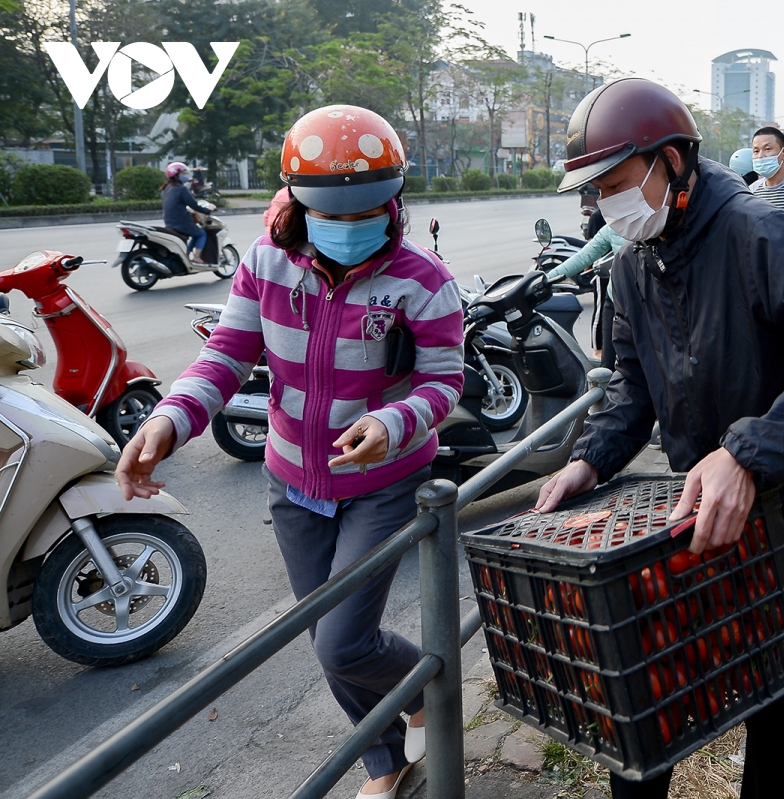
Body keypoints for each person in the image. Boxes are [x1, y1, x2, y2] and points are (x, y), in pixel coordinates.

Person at [537, 77, 784, 799]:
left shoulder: (760, 231)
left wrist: (748, 452)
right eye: (593, 190)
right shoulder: (633, 261)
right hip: (710, 502)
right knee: (656, 678)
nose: (603, 202)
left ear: (672, 160)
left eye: (615, 182)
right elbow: (632, 383)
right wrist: (589, 458)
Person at [117, 105, 465, 799]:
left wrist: (393, 423)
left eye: (366, 211)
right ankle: (386, 762)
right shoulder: (266, 259)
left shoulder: (422, 278)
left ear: (392, 198)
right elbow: (226, 352)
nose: (347, 229)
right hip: (291, 480)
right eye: (330, 215)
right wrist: (171, 418)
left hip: (383, 482)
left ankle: (432, 684)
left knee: (342, 642)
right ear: (300, 202)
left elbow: (443, 381)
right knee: (322, 635)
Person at [545, 221, 626, 368]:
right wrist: (544, 280)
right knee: (607, 365)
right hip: (615, 300)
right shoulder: (613, 228)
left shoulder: (653, 226)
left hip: (647, 306)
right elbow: (582, 258)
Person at [161, 162, 209, 264]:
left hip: (169, 223)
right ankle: (196, 257)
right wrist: (207, 210)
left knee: (194, 233)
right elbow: (193, 205)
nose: (186, 175)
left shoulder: (166, 188)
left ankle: (186, 254)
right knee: (201, 234)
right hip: (181, 223)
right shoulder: (181, 189)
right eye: (183, 172)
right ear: (176, 175)